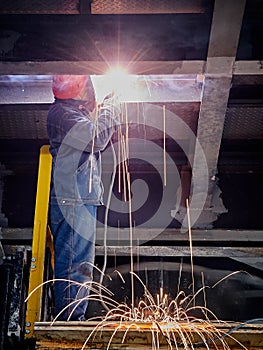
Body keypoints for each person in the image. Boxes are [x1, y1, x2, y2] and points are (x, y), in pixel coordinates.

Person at [47, 75, 120, 321]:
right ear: (80, 86)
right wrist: (113, 104)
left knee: (80, 265)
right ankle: (68, 323)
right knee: (74, 265)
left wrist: (103, 107)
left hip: (79, 198)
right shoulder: (62, 114)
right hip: (72, 200)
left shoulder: (71, 113)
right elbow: (96, 138)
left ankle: (72, 319)